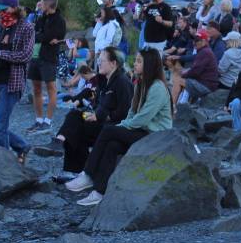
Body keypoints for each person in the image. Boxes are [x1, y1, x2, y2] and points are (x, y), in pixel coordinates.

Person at [66, 49, 173, 205]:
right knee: (112, 145)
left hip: (155, 136)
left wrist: (122, 126)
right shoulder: (141, 84)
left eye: (139, 61)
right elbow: (132, 111)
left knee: (109, 130)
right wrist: (123, 125)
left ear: (149, 65)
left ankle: (88, 174)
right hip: (143, 131)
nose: (135, 64)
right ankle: (99, 191)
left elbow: (142, 118)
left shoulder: (157, 87)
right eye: (135, 60)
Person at [43, 47, 133, 181]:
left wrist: (101, 116)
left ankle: (62, 150)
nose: (99, 63)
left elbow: (125, 112)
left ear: (113, 63)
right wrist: (93, 114)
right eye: (99, 60)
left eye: (102, 61)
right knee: (74, 119)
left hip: (112, 127)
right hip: (100, 120)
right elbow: (98, 104)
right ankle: (64, 151)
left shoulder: (122, 82)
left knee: (75, 125)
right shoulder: (103, 80)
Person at [0, 0, 34, 162]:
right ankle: (21, 146)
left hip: (12, 83)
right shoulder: (2, 26)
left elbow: (25, 55)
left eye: (3, 9)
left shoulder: (27, 27)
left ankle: (4, 163)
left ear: (14, 8)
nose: (0, 13)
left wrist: (0, 55)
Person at [170, 28, 219, 105]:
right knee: (183, 76)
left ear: (204, 41)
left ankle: (171, 107)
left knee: (178, 80)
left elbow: (195, 72)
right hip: (206, 84)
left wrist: (183, 74)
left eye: (197, 41)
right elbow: (195, 69)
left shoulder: (205, 52)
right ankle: (181, 105)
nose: (194, 43)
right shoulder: (204, 51)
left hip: (206, 86)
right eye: (194, 40)